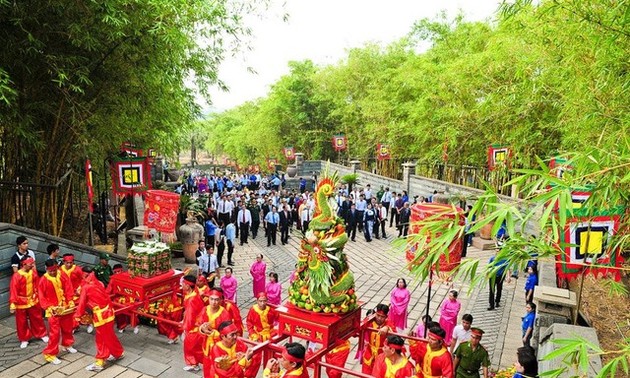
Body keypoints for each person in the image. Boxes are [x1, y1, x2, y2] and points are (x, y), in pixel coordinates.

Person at [74, 266, 124, 372]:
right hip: (109, 312)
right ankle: (118, 352)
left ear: (84, 275)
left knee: (101, 339)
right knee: (109, 335)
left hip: (101, 316)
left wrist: (77, 316)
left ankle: (100, 362)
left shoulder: (86, 287)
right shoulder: (99, 283)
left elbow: (82, 303)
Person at [38, 259, 77, 364]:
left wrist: (71, 300)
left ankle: (67, 344)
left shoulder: (62, 275)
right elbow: (41, 297)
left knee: (68, 327)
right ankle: (50, 354)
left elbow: (68, 288)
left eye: (54, 270)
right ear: (47, 269)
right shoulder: (43, 280)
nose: (52, 272)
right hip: (53, 310)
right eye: (50, 271)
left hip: (65, 307)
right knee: (54, 333)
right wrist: (48, 307)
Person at [9, 256, 48, 349]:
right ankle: (24, 338)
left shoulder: (33, 273)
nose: (32, 266)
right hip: (20, 301)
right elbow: (13, 290)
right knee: (21, 321)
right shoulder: (17, 276)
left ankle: (41, 334)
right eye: (31, 264)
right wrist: (13, 303)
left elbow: (38, 285)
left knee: (37, 318)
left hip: (33, 299)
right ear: (24, 264)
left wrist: (40, 297)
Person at [197, 288, 233, 378]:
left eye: (216, 299)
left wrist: (213, 333)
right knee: (207, 367)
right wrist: (202, 329)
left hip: (219, 347)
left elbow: (228, 334)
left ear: (221, 300)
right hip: (207, 345)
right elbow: (198, 323)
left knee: (218, 368)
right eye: (211, 299)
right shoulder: (205, 309)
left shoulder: (225, 314)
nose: (214, 302)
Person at [245, 292, 278, 378]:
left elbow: (279, 319)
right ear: (257, 301)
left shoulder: (271, 310)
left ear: (267, 301)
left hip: (269, 335)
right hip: (257, 335)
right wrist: (252, 334)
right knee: (255, 358)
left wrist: (276, 330)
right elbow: (249, 323)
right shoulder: (253, 310)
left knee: (272, 356)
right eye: (260, 301)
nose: (262, 303)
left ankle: (273, 375)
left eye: (264, 301)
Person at [361, 304, 395, 375]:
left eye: (382, 317)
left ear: (386, 317)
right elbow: (360, 326)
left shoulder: (389, 324)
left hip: (382, 355)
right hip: (369, 353)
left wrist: (387, 327)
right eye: (378, 315)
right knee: (365, 374)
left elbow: (395, 334)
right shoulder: (370, 321)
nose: (379, 318)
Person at [181, 275, 205, 371]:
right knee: (196, 347)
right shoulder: (194, 294)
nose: (182, 285)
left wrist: (185, 328)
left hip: (193, 327)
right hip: (197, 325)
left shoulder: (191, 300)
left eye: (183, 283)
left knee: (189, 347)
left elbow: (190, 316)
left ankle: (192, 363)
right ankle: (195, 363)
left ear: (187, 285)